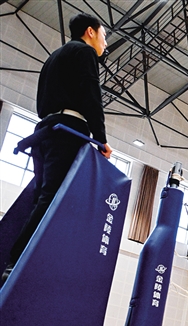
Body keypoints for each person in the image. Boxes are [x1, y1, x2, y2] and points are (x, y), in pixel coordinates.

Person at [2, 13, 112, 285]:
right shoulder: (85, 53)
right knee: (52, 198)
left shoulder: (54, 57)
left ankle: (16, 261)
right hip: (67, 130)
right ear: (90, 32)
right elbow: (91, 95)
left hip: (45, 130)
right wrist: (101, 138)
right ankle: (17, 264)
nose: (105, 43)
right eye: (104, 35)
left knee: (42, 197)